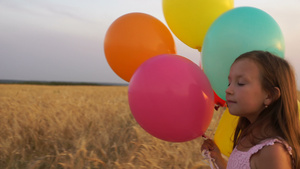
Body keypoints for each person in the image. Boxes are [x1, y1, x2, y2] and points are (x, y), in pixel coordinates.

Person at [201, 50, 300, 169]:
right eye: (229, 83)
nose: (228, 90)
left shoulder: (272, 152)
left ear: (269, 95)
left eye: (241, 83)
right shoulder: (249, 137)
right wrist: (218, 159)